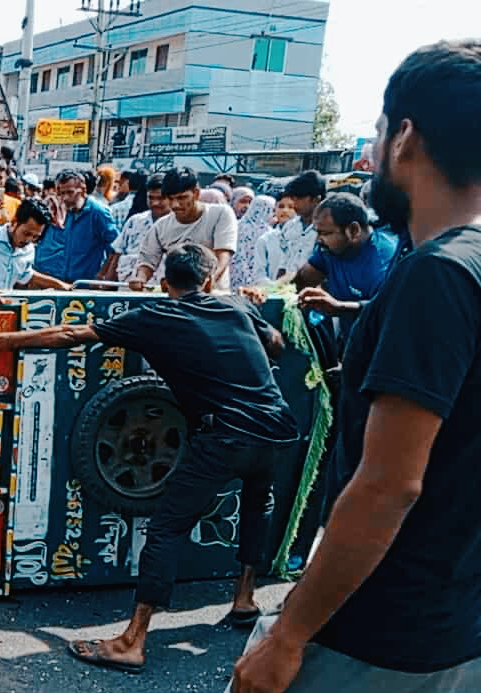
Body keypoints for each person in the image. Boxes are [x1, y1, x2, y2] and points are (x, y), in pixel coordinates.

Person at [231, 39, 481, 693]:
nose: (370, 153)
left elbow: (388, 484)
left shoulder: (438, 274)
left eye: (377, 130)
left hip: (379, 634)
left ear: (406, 138)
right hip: (455, 627)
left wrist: (288, 635)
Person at [0, 243, 299, 676]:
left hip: (224, 435)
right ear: (208, 281)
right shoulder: (236, 306)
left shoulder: (156, 316)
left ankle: (132, 642)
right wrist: (251, 309)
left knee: (167, 528)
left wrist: (2, 340)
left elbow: (73, 334)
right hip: (277, 430)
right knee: (258, 506)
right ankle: (244, 599)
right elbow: (276, 345)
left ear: (165, 284)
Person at [292, 192, 398, 338]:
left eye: (325, 233)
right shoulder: (329, 251)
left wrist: (339, 307)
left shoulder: (383, 264)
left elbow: (386, 312)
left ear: (353, 231)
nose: (318, 240)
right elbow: (303, 279)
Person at [131, 167, 239, 292]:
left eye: (181, 198)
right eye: (170, 199)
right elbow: (147, 260)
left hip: (213, 296)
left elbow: (223, 256)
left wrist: (210, 281)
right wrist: (141, 278)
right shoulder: (161, 226)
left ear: (196, 193)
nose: (175, 205)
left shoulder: (221, 214)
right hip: (178, 298)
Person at [0, 197, 71, 290]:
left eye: (35, 237)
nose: (29, 240)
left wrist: (61, 285)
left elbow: (27, 275)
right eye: (26, 233)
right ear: (14, 222)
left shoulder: (29, 250)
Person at [34, 169, 119, 283]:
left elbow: (116, 248)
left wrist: (103, 275)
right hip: (68, 281)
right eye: (62, 193)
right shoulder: (69, 212)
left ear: (83, 190)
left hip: (88, 283)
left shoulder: (98, 212)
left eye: (70, 193)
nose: (65, 198)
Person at [258, 170, 325, 281]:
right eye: (293, 198)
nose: (295, 203)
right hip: (287, 284)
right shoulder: (290, 226)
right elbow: (283, 263)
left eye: (299, 198)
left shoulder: (325, 230)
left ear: (315, 199)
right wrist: (276, 287)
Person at [102, 173, 169, 284]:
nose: (155, 203)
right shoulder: (135, 221)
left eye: (161, 198)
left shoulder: (177, 224)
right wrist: (107, 284)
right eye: (151, 198)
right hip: (126, 289)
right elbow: (117, 253)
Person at [232, 195, 277, 289]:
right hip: (258, 277)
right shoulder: (268, 232)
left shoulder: (236, 225)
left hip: (235, 274)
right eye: (272, 210)